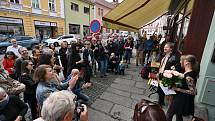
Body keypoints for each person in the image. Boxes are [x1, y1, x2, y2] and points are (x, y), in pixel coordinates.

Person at [166, 55, 199, 121]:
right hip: (180, 97)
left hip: (182, 99)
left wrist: (178, 89)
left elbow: (194, 92)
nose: (181, 62)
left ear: (187, 63)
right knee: (178, 115)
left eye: (183, 61)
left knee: (169, 114)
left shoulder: (189, 76)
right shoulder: (187, 72)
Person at [158, 42, 180, 107]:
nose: (165, 48)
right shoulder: (164, 55)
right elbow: (162, 65)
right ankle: (161, 102)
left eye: (167, 47)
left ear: (171, 49)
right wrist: (158, 72)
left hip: (166, 76)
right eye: (165, 46)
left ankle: (161, 103)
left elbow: (177, 68)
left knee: (163, 90)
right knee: (160, 90)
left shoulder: (174, 58)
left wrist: (171, 72)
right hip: (161, 74)